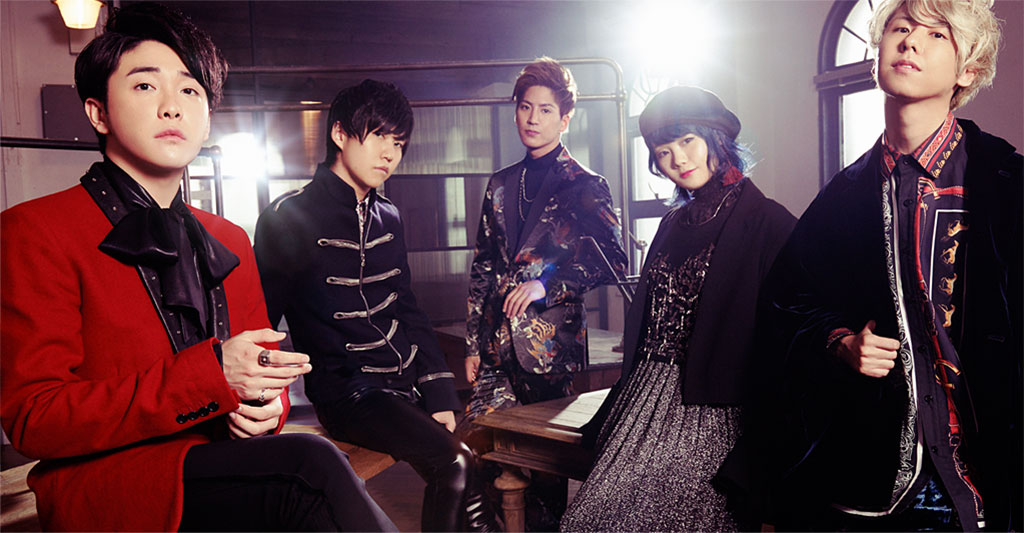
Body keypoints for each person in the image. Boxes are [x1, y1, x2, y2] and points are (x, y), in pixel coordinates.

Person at [0, 4, 395, 531]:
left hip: (223, 465)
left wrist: (266, 409)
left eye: (190, 90)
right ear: (97, 113)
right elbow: (34, 419)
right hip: (114, 485)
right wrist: (210, 376)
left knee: (314, 470)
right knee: (311, 468)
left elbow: (265, 370)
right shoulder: (34, 229)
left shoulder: (228, 237)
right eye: (145, 86)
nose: (173, 108)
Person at [731, 0, 1022, 529]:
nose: (910, 41)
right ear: (877, 51)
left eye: (936, 34)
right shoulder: (841, 197)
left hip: (986, 481)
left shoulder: (1008, 183)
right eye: (900, 28)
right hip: (869, 481)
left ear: (969, 69)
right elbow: (784, 305)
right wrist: (839, 341)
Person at [253, 79, 501, 532]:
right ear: (340, 134)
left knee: (469, 472)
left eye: (399, 143)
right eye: (379, 136)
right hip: (346, 393)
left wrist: (438, 394)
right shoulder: (287, 216)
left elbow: (407, 308)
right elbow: (260, 321)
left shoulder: (389, 214)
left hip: (401, 387)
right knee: (455, 464)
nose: (390, 153)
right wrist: (258, 406)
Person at [558, 86, 796, 532]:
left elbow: (793, 331)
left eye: (688, 141)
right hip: (643, 392)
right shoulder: (672, 222)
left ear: (716, 138)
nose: (678, 160)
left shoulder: (769, 221)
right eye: (663, 151)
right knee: (588, 520)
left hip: (714, 405)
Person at [460, 56, 628, 530]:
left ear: (565, 118)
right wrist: (473, 343)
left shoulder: (586, 186)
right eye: (525, 107)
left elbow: (614, 261)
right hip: (495, 347)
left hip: (549, 350)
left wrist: (547, 284)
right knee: (475, 450)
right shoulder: (499, 184)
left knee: (545, 473)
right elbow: (483, 266)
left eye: (546, 110)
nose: (533, 119)